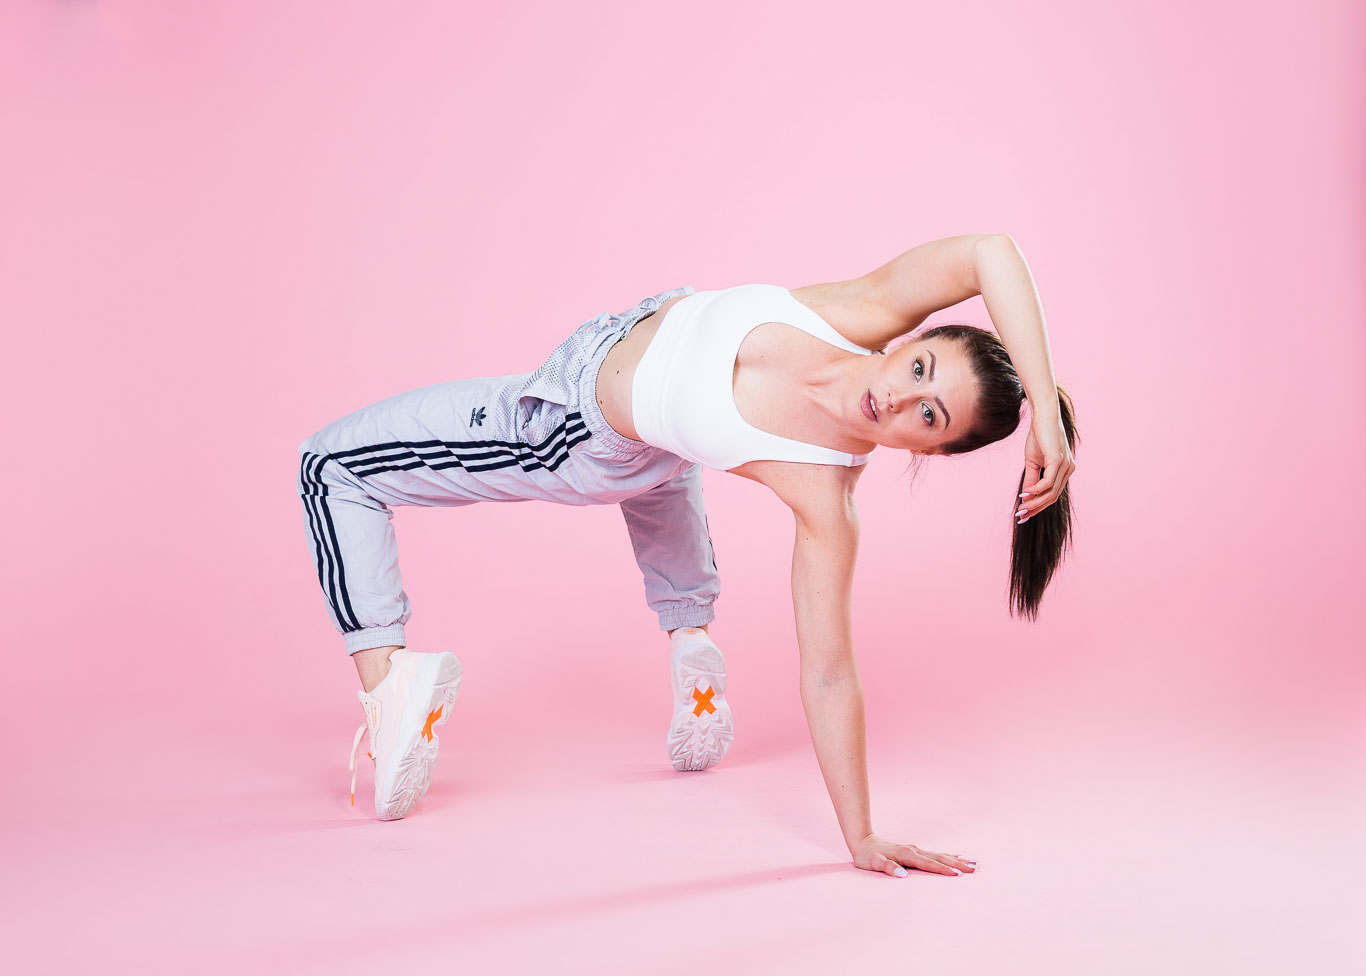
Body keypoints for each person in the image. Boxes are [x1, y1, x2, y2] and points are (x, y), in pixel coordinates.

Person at [295, 233, 1078, 880]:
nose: (900, 398)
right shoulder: (859, 309)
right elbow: (989, 251)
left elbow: (831, 674)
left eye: (929, 416)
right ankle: (690, 635)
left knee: (332, 466)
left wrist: (863, 835)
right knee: (670, 462)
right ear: (914, 338)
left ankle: (389, 685)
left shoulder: (825, 498)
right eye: (920, 369)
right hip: (657, 421)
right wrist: (1044, 407)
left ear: (928, 451)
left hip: (567, 423)